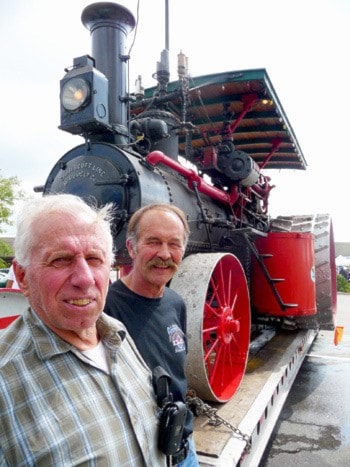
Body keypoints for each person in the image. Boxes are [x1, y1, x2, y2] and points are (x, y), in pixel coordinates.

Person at [0, 194, 166, 467]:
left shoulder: (117, 334)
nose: (85, 278)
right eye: (61, 260)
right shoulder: (5, 380)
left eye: (94, 259)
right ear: (22, 277)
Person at [104, 203, 199, 467]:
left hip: (184, 449)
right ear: (132, 248)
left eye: (174, 244)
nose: (165, 254)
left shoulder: (176, 303)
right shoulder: (105, 309)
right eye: (153, 242)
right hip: (140, 456)